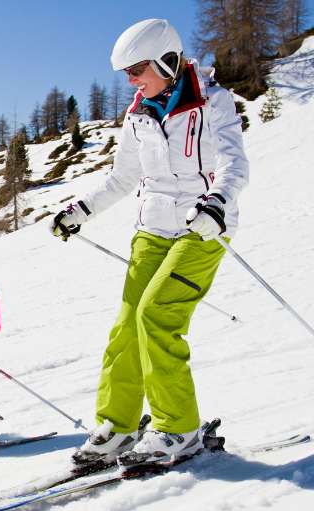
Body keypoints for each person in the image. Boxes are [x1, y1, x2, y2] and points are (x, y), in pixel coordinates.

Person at [51, 19, 248, 466]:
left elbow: (235, 164)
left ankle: (179, 429)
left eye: (137, 69)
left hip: (203, 228)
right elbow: (123, 177)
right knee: (126, 327)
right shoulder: (138, 113)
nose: (131, 80)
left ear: (167, 60)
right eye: (126, 73)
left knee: (156, 316)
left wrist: (217, 203)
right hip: (152, 230)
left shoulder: (213, 102)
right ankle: (118, 426)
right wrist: (80, 209)